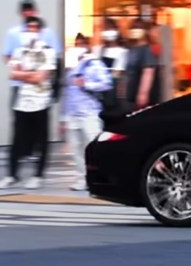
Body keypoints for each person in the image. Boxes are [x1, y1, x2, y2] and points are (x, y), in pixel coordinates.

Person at [0, 17, 57, 190]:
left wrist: (24, 74)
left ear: (40, 31)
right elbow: (12, 74)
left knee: (41, 140)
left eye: (34, 28)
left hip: (41, 102)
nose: (31, 31)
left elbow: (42, 77)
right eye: (28, 28)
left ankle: (37, 175)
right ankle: (11, 175)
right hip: (22, 102)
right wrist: (30, 75)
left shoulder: (48, 52)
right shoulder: (19, 52)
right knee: (17, 140)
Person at [61, 34, 112, 191]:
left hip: (90, 112)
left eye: (83, 43)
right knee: (76, 148)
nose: (80, 46)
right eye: (77, 44)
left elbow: (107, 83)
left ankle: (102, 176)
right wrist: (63, 117)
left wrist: (87, 84)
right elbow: (67, 91)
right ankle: (81, 179)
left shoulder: (94, 63)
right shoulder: (71, 67)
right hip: (73, 113)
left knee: (94, 146)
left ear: (88, 45)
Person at [125, 19, 159, 110]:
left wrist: (143, 94)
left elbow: (148, 72)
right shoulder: (131, 49)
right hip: (130, 96)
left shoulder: (146, 50)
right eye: (133, 28)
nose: (135, 31)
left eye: (138, 28)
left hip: (140, 99)